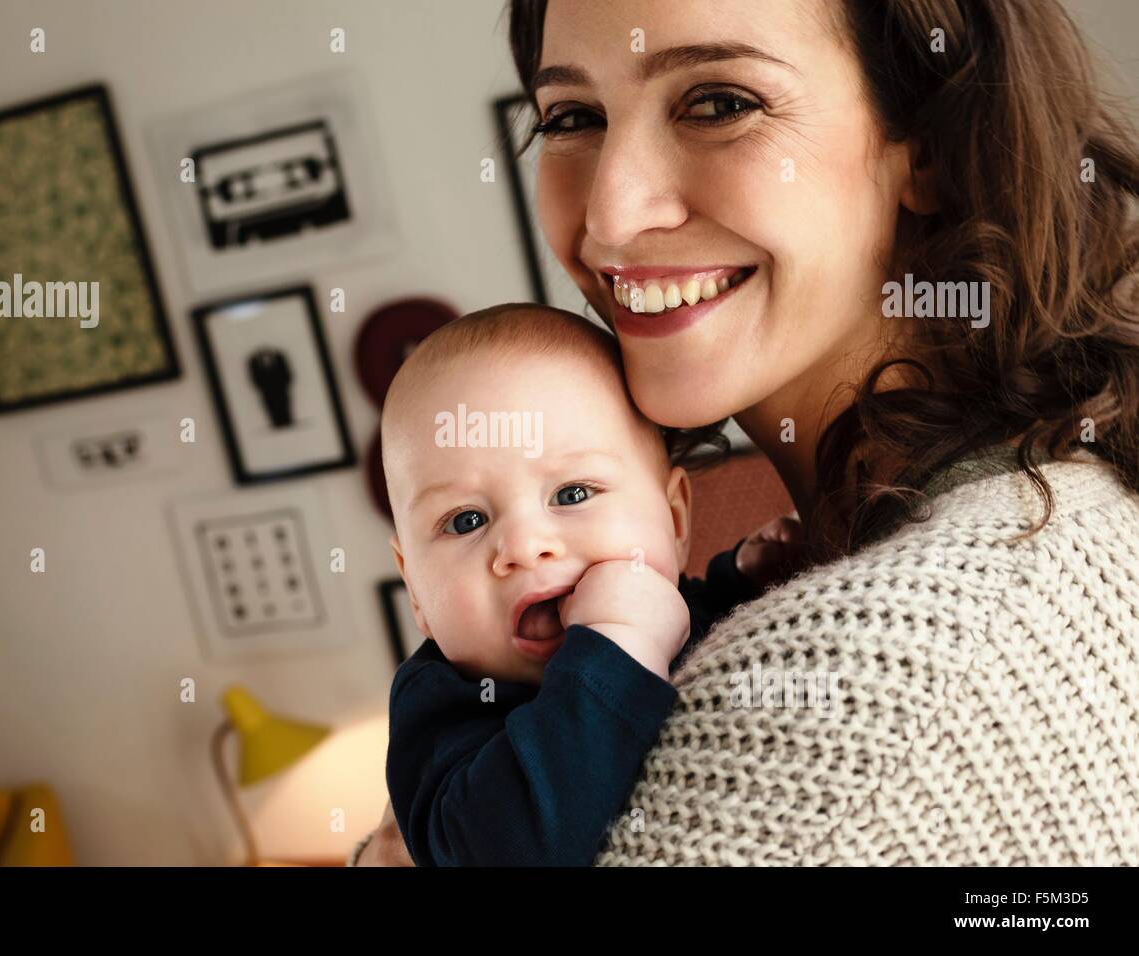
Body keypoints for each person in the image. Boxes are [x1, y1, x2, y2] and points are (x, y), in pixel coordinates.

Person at [355, 0, 1139, 865]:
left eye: (720, 102)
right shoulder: (1059, 496)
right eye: (572, 118)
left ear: (933, 146)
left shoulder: (881, 668)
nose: (613, 215)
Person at [379, 303, 796, 866]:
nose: (524, 547)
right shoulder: (442, 711)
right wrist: (615, 648)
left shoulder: (672, 607)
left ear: (673, 521)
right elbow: (513, 847)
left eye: (572, 493)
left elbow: (690, 617)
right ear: (417, 594)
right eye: (465, 521)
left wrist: (741, 579)